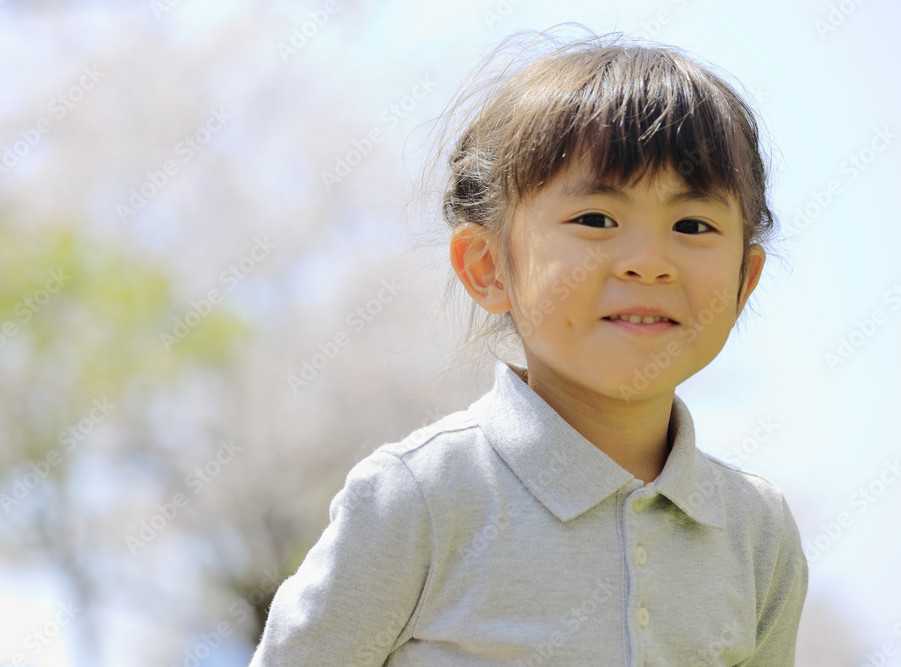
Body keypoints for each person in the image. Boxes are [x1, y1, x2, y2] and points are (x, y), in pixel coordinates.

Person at [248, 25, 808, 666]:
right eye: (596, 219)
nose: (650, 262)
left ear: (745, 281)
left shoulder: (755, 531)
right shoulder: (421, 496)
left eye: (693, 224)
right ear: (487, 266)